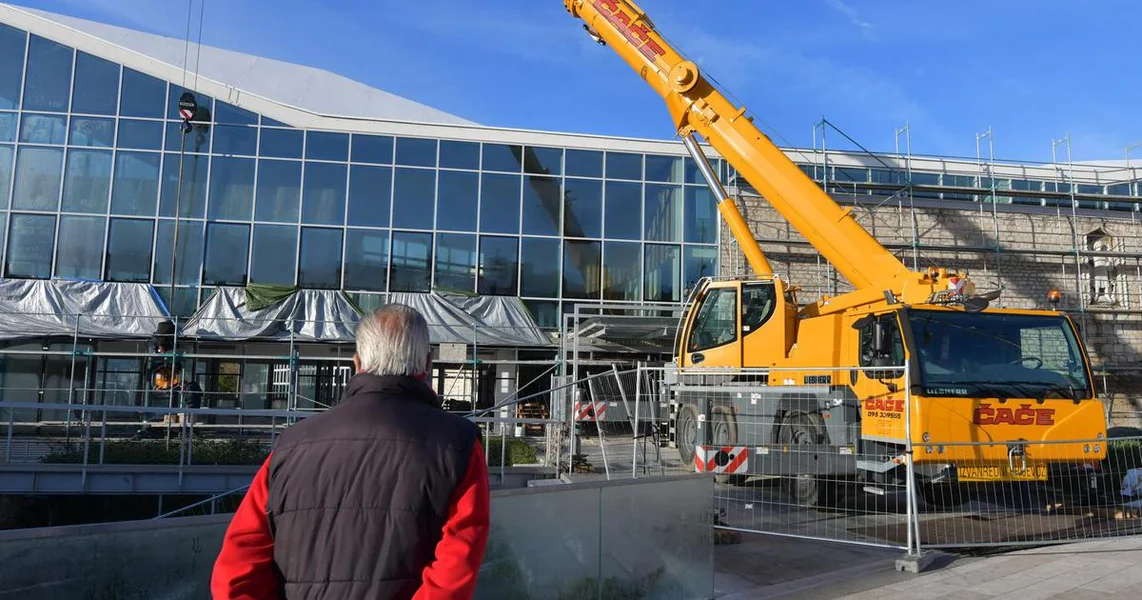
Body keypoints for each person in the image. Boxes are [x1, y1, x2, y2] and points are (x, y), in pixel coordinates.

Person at [211, 304, 491, 599]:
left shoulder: (289, 444)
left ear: (357, 364)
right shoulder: (457, 444)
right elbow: (456, 566)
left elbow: (239, 564)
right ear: (427, 364)